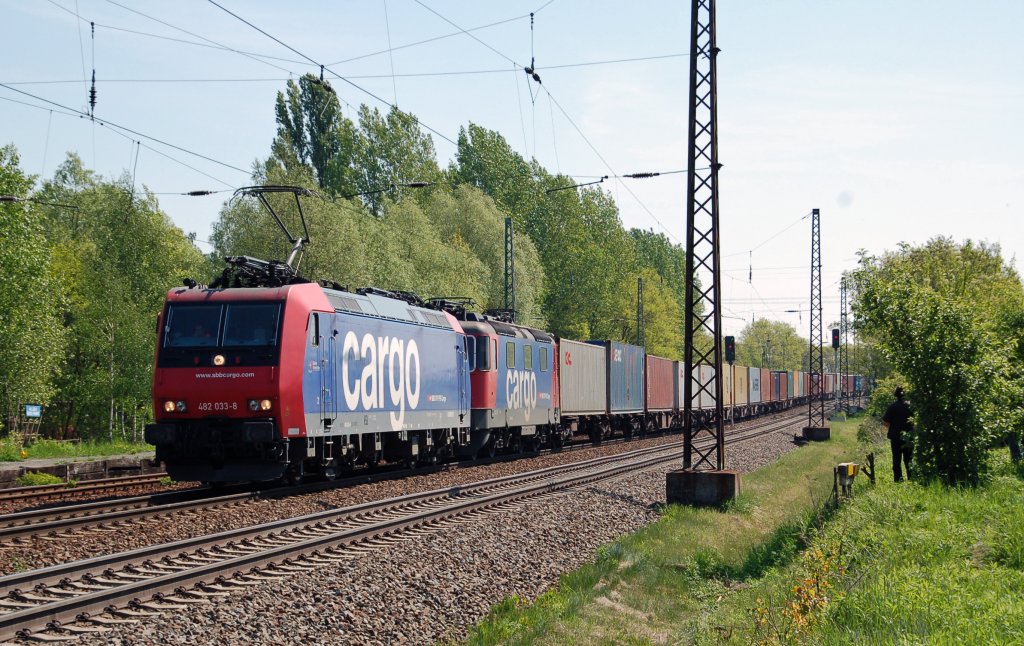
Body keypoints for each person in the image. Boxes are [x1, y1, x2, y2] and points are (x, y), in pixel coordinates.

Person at [882, 386, 913, 481]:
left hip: (895, 437)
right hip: (909, 437)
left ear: (896, 395)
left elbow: (886, 422)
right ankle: (911, 479)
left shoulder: (892, 407)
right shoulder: (910, 406)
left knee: (896, 460)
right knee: (909, 460)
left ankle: (898, 479)